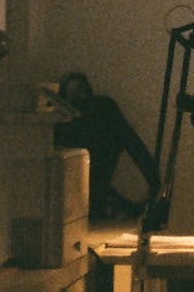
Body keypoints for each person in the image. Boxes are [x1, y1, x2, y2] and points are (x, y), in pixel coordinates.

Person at [54, 72, 160, 218]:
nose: (81, 93)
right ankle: (148, 188)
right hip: (85, 180)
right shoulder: (98, 110)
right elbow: (131, 142)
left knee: (105, 110)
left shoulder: (101, 108)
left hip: (93, 176)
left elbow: (131, 142)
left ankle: (147, 188)